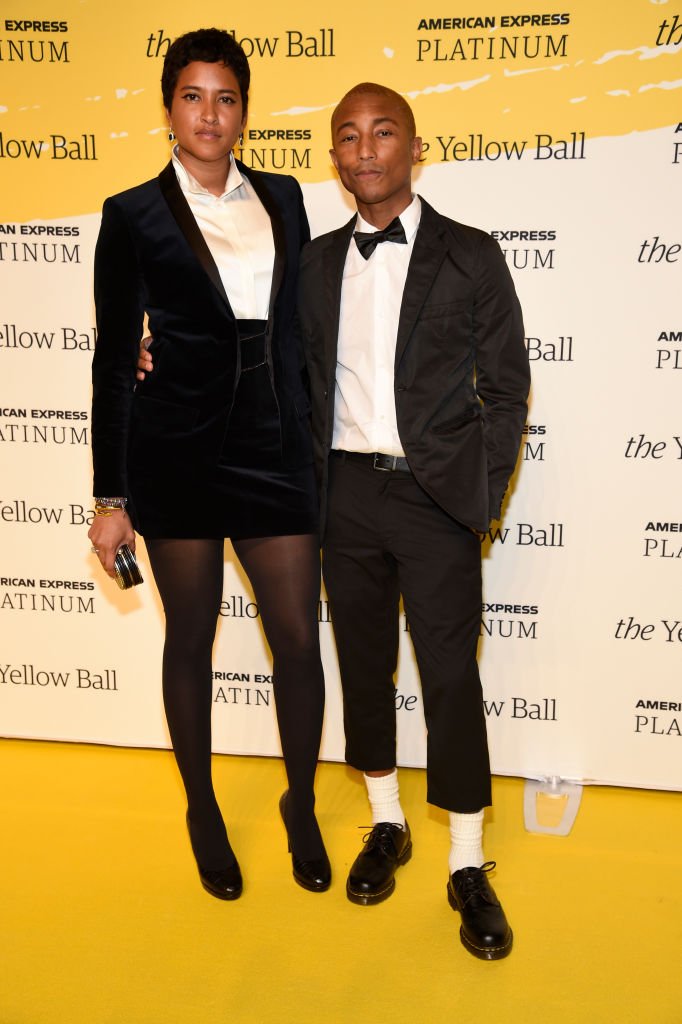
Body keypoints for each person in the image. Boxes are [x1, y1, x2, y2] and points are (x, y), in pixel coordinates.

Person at [88, 28, 330, 901]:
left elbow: (304, 320)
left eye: (225, 98)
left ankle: (300, 804)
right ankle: (202, 808)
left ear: (244, 112)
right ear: (167, 109)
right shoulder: (132, 214)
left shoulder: (286, 196)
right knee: (188, 638)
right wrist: (108, 495)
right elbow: (116, 360)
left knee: (298, 639)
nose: (209, 114)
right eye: (193, 96)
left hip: (273, 447)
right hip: (177, 452)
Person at [297, 83, 530, 960]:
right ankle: (386, 823)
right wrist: (158, 348)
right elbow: (264, 361)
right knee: (362, 663)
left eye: (381, 132)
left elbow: (506, 388)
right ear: (335, 158)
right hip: (343, 494)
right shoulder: (313, 265)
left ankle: (468, 862)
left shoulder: (470, 255)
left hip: (435, 498)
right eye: (347, 135)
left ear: (414, 147)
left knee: (449, 678)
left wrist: (479, 491)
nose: (364, 149)